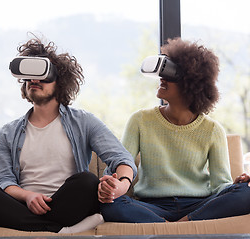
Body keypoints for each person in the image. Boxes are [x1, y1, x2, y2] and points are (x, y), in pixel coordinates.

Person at [0, 36, 137, 233]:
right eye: (30, 75)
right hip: (21, 206)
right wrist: (28, 196)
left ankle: (33, 229)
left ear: (59, 82)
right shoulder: (8, 132)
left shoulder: (83, 122)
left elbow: (122, 158)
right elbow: (3, 180)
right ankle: (57, 231)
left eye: (42, 74)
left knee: (87, 181)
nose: (34, 80)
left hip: (67, 204)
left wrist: (121, 186)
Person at [98, 37, 250, 223]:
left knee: (246, 193)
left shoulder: (212, 129)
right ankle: (173, 226)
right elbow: (120, 163)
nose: (162, 78)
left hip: (198, 204)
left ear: (192, 84)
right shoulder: (140, 120)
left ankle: (177, 224)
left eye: (171, 74)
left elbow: (220, 185)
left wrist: (235, 186)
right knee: (108, 204)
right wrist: (112, 185)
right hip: (151, 206)